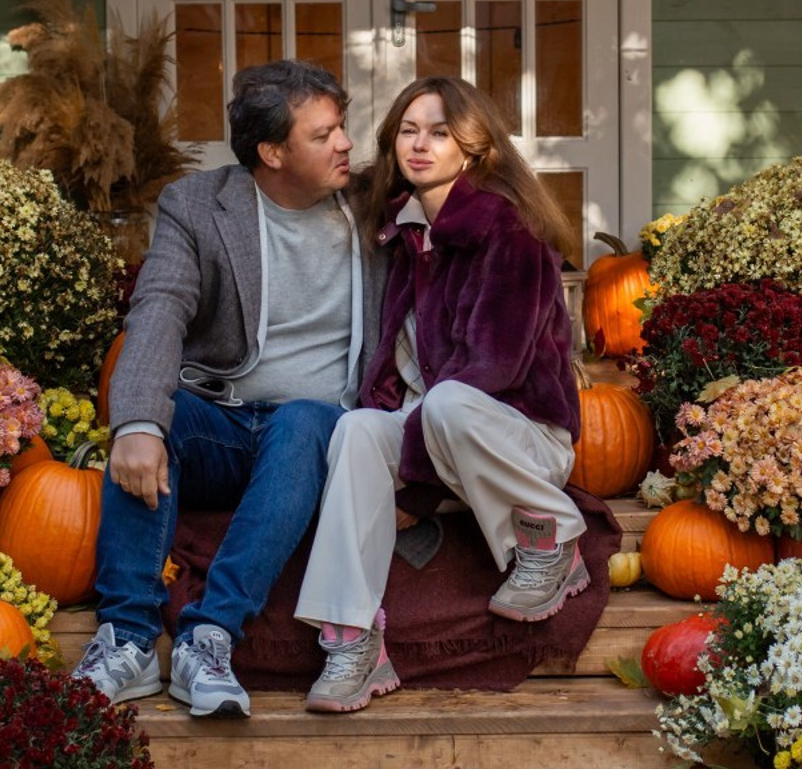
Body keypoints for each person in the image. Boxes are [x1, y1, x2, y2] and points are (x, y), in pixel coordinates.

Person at [72, 60, 382, 719]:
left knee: (304, 419)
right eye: (323, 134)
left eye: (342, 128)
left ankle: (208, 638)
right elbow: (158, 309)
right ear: (272, 152)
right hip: (222, 422)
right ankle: (126, 641)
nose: (346, 144)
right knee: (161, 420)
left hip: (314, 438)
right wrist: (136, 425)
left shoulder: (375, 204)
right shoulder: (199, 206)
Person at [293, 75, 587, 714]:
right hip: (443, 441)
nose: (419, 145)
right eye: (407, 130)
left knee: (451, 400)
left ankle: (551, 541)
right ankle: (352, 639)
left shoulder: (510, 231)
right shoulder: (410, 232)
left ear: (475, 148)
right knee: (357, 430)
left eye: (440, 132)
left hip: (520, 440)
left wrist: (415, 490)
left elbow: (494, 369)